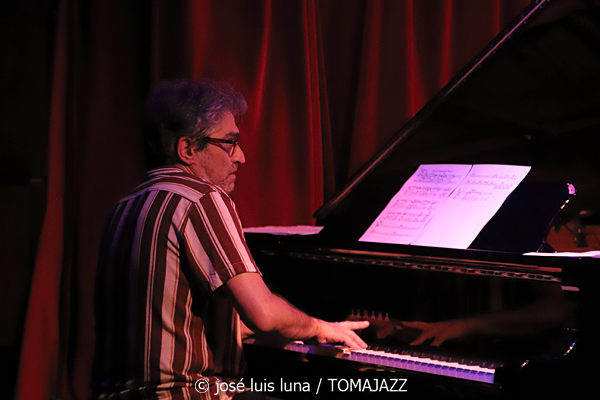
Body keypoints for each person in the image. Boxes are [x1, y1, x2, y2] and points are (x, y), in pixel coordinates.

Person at [92, 79, 369, 400]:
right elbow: (264, 315)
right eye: (229, 143)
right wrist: (320, 327)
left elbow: (167, 321)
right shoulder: (201, 198)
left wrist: (300, 329)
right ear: (187, 149)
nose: (241, 157)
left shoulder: (125, 206)